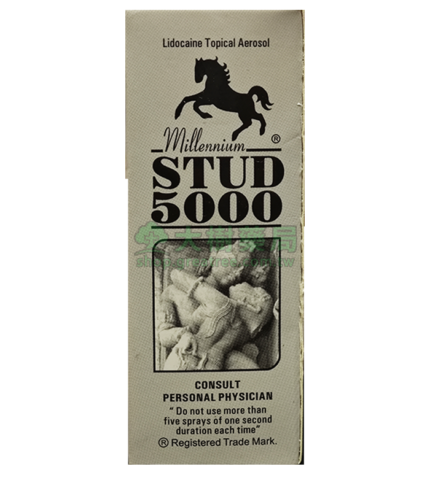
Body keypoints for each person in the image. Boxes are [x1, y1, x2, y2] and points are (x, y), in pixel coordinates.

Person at [162, 269, 274, 371]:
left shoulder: (222, 304)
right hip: (201, 362)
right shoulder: (242, 333)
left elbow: (176, 274)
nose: (244, 283)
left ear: (253, 305)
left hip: (192, 356)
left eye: (254, 290)